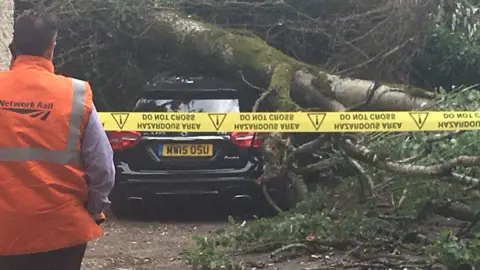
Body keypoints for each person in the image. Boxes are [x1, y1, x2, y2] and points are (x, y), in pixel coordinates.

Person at [0, 9, 115, 270]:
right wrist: (95, 209)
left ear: (12, 47)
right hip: (61, 231)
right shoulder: (75, 95)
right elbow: (103, 169)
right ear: (51, 48)